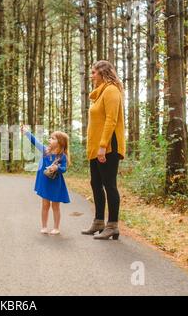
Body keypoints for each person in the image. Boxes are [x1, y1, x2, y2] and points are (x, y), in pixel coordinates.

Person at [81, 60, 126, 240]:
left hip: (108, 147)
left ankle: (113, 225)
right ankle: (99, 221)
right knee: (95, 183)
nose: (91, 76)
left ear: (103, 73)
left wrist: (102, 147)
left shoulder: (112, 90)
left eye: (94, 72)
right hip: (97, 148)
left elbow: (111, 120)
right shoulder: (99, 94)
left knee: (109, 185)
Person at [21, 125, 71, 235]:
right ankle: (44, 226)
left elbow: (64, 169)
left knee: (55, 206)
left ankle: (56, 228)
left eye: (53, 138)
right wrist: (27, 132)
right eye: (50, 138)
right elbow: (36, 142)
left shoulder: (62, 156)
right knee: (45, 205)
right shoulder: (45, 151)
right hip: (45, 182)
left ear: (60, 142)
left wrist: (57, 168)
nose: (49, 140)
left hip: (55, 184)